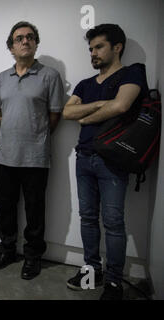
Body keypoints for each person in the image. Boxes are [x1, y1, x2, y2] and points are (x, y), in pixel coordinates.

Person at [63, 24, 148, 300]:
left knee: (113, 222)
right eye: (91, 49)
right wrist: (100, 106)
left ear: (117, 47)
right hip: (84, 157)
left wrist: (85, 115)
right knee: (87, 218)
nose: (93, 53)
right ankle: (91, 272)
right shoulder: (86, 84)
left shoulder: (132, 72)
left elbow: (122, 106)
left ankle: (113, 282)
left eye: (99, 47)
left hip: (113, 159)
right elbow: (67, 112)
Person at [0, 21, 64, 280]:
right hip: (6, 155)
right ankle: (7, 250)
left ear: (35, 43)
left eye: (30, 37)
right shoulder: (1, 79)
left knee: (34, 210)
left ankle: (32, 257)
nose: (25, 41)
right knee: (8, 208)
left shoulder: (50, 76)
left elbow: (55, 115)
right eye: (19, 38)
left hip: (35, 156)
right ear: (11, 46)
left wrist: (34, 135)